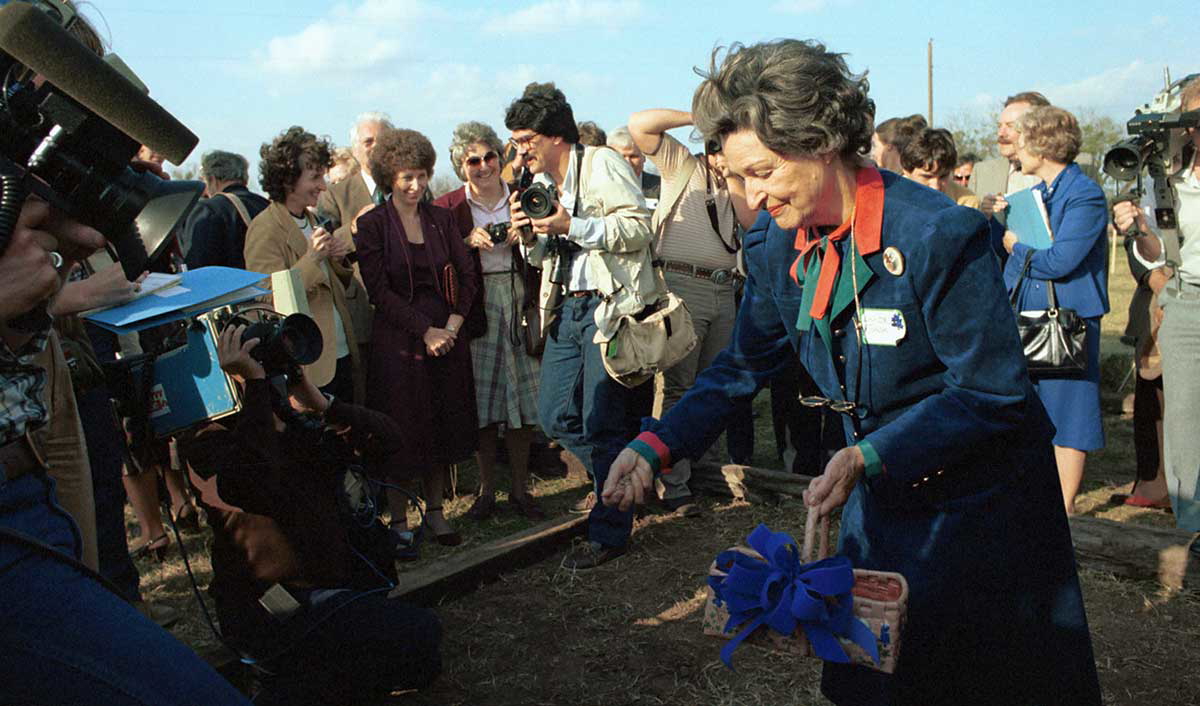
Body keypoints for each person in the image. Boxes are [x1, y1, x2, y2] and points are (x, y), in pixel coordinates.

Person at [602, 39, 1100, 705]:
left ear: (820, 143)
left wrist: (870, 453)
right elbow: (743, 365)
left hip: (982, 510)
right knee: (872, 680)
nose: (752, 196)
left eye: (763, 172)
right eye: (739, 178)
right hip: (879, 493)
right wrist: (656, 444)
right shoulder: (778, 245)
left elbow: (991, 392)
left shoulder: (936, 234)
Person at [181, 323, 442, 706]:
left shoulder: (290, 425)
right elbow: (251, 483)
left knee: (421, 647)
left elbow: (389, 442)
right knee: (410, 636)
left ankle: (318, 679)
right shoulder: (207, 441)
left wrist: (321, 403)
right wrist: (255, 388)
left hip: (334, 592)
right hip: (276, 607)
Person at [506, 82, 655, 569]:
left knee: (602, 420)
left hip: (606, 307)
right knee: (553, 416)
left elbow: (639, 228)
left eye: (526, 139)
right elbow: (545, 256)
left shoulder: (602, 164)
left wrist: (572, 225)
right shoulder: (542, 182)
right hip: (566, 308)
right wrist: (530, 237)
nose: (520, 150)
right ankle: (628, 479)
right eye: (517, 141)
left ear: (555, 135)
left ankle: (609, 533)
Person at [353, 128, 479, 548]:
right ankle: (400, 521)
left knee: (441, 424)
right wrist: (425, 330)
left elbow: (467, 274)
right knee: (401, 430)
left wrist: (452, 328)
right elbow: (378, 291)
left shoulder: (442, 219)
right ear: (389, 177)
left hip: (447, 337)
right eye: (407, 177)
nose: (416, 185)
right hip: (399, 341)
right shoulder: (372, 225)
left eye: (422, 176)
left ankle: (438, 513)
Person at [626, 108, 753, 515]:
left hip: (725, 286)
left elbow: (749, 222)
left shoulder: (740, 179)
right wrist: (701, 114)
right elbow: (639, 125)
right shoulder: (682, 163)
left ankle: (706, 472)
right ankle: (672, 482)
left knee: (716, 385)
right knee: (678, 386)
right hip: (682, 284)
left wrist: (736, 177)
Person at [994, 105, 1108, 515]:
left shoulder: (1084, 195)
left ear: (1041, 146)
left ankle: (1063, 508)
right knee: (1032, 411)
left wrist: (1016, 247)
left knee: (1068, 413)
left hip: (1067, 321)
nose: (1014, 146)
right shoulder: (1040, 194)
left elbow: (1061, 261)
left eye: (1021, 139)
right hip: (1028, 313)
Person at [433, 122, 544, 521]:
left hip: (520, 298)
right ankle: (485, 491)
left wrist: (525, 237)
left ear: (500, 157)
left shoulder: (523, 196)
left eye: (489, 157)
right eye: (472, 161)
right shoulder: (448, 207)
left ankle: (520, 488)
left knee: (524, 400)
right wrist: (466, 243)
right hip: (476, 306)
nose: (483, 167)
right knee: (482, 401)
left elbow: (549, 243)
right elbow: (435, 261)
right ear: (461, 167)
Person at [1115, 76, 1200, 532]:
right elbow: (1158, 253)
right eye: (1192, 120)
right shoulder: (1169, 178)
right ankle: (1194, 523)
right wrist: (1137, 229)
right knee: (1185, 420)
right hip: (1186, 300)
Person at [245, 126, 363, 404]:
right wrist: (313, 258)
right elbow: (267, 297)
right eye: (315, 177)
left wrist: (337, 260)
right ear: (288, 180)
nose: (323, 186)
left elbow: (331, 283)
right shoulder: (265, 227)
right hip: (310, 364)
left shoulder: (312, 220)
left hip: (341, 352)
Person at [317, 112, 394, 356]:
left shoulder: (411, 186)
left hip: (409, 308)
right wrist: (352, 229)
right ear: (355, 150)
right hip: (362, 311)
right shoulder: (334, 195)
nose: (376, 147)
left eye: (382, 140)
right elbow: (325, 251)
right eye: (368, 141)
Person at [181, 150, 269, 270]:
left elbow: (197, 265)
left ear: (212, 179)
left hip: (229, 281)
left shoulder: (208, 209)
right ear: (245, 179)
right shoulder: (267, 206)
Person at [972, 91, 1050, 217]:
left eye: (1010, 126)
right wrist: (984, 214)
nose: (1001, 133)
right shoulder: (982, 173)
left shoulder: (1059, 172)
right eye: (999, 126)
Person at [899, 127, 981, 209]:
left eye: (943, 176)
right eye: (927, 177)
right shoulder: (893, 200)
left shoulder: (966, 204)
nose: (936, 187)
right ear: (907, 172)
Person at [607, 126, 661, 205]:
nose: (628, 162)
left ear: (644, 157)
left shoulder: (661, 188)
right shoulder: (600, 188)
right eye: (622, 157)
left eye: (633, 157)